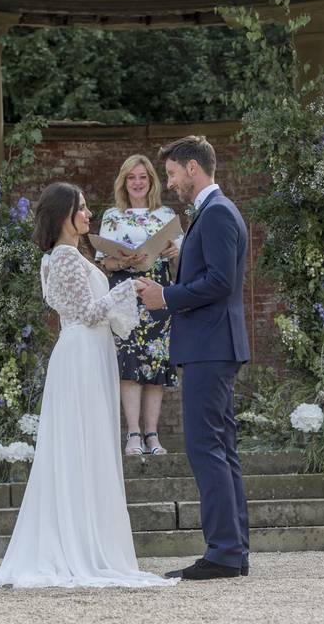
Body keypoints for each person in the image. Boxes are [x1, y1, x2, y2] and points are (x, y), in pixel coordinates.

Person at [0, 182, 178, 589]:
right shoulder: (62, 259)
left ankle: (92, 538)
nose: (89, 214)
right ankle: (76, 545)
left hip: (92, 354)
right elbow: (87, 312)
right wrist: (130, 286)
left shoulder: (75, 257)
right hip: (79, 356)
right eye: (82, 208)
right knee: (80, 443)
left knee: (91, 444)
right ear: (64, 215)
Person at [139, 135, 252, 581]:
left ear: (192, 169)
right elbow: (209, 275)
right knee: (221, 448)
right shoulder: (212, 213)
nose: (168, 184)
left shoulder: (218, 212)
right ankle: (233, 549)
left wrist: (164, 295)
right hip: (212, 345)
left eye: (170, 174)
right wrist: (179, 260)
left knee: (206, 447)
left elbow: (221, 283)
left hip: (211, 346)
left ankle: (224, 552)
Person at [97, 154, 181, 456]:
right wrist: (123, 260)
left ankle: (152, 435)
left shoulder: (166, 215)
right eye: (131, 177)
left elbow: (178, 263)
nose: (137, 182)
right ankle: (133, 434)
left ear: (151, 181)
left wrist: (173, 252)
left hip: (157, 291)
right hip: (123, 293)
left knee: (156, 361)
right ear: (123, 181)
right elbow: (104, 263)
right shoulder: (112, 216)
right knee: (129, 362)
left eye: (143, 177)